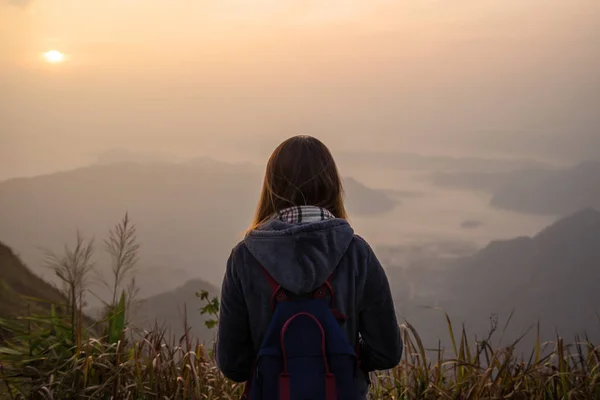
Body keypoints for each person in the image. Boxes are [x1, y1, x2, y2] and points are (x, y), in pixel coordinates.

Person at [216, 135, 402, 399]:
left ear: (272, 185)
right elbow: (387, 352)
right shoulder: (357, 253)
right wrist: (344, 355)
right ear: (332, 184)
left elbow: (233, 365)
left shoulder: (244, 258)